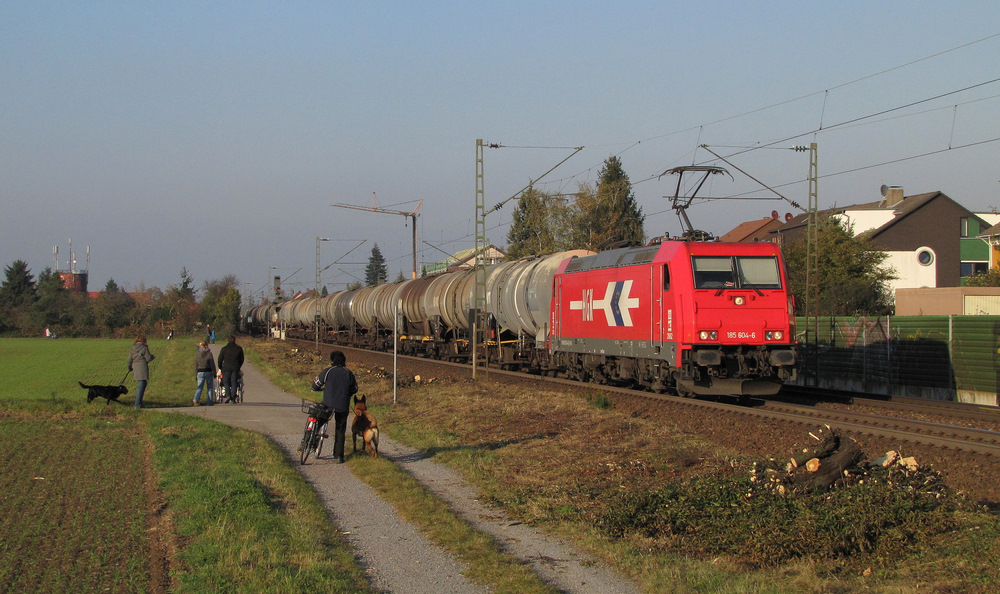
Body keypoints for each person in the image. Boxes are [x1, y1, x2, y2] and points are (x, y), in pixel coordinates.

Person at [311, 350, 358, 463]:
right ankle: (339, 456)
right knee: (340, 429)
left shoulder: (328, 371)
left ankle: (312, 441)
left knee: (319, 420)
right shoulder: (348, 373)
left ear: (332, 361)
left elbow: (316, 384)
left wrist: (317, 389)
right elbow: (355, 388)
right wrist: (347, 393)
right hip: (342, 405)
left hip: (328, 404)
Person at [127, 335, 155, 408]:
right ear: (144, 341)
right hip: (142, 366)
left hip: (135, 366)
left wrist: (129, 367)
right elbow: (148, 358)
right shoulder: (144, 348)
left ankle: (139, 403)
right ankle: (137, 404)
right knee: (142, 384)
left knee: (141, 383)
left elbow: (129, 359)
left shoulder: (133, 348)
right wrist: (153, 356)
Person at [217, 335, 245, 403]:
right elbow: (242, 359)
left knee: (225, 382)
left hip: (226, 368)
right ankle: (233, 397)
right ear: (234, 340)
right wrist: (238, 366)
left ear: (228, 340)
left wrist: (220, 367)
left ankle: (228, 395)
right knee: (234, 382)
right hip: (235, 368)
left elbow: (220, 359)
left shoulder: (224, 349)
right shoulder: (239, 348)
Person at [193, 340, 216, 406]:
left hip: (200, 372)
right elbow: (212, 364)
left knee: (199, 387)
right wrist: (214, 372)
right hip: (208, 371)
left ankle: (196, 399)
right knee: (210, 387)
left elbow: (196, 365)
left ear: (200, 346)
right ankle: (209, 402)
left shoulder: (197, 354)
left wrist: (195, 374)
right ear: (206, 346)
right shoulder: (209, 353)